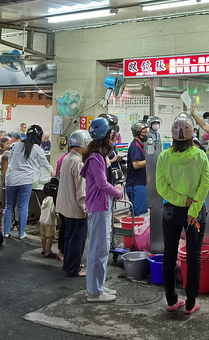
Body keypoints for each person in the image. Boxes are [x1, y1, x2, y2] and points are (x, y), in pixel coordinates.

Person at [156, 113, 209, 316]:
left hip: (171, 210)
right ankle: (190, 303)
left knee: (169, 255)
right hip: (195, 214)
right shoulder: (200, 156)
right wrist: (192, 209)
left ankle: (171, 300)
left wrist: (180, 201)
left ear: (172, 136)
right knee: (193, 257)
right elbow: (205, 185)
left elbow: (161, 187)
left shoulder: (164, 157)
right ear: (191, 135)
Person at [80, 117, 123, 302]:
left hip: (100, 206)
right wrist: (118, 192)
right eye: (111, 134)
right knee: (98, 250)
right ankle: (95, 292)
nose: (113, 138)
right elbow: (101, 183)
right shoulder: (96, 157)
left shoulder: (97, 156)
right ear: (105, 135)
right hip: (99, 207)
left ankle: (98, 287)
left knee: (101, 248)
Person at [3, 125, 54, 239]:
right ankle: (21, 233)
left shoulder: (16, 146)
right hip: (25, 181)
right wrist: (52, 171)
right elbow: (44, 164)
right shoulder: (37, 149)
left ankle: (6, 232)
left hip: (11, 179)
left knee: (9, 205)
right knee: (23, 207)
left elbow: (10, 162)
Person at [57, 129, 91, 277]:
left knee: (69, 238)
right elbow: (81, 191)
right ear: (83, 145)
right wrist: (85, 209)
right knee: (77, 240)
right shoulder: (78, 163)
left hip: (65, 207)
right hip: (75, 209)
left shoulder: (67, 158)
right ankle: (73, 269)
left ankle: (69, 265)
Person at [126, 122, 149, 216]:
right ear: (138, 133)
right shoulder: (135, 146)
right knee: (138, 213)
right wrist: (150, 161)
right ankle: (135, 230)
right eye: (145, 133)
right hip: (136, 184)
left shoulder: (140, 145)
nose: (147, 135)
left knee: (133, 211)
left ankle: (131, 228)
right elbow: (135, 164)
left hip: (139, 182)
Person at [39, 191, 58, 259]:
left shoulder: (46, 198)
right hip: (49, 221)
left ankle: (44, 249)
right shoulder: (54, 200)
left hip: (43, 220)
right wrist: (57, 216)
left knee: (44, 236)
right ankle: (48, 252)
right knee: (51, 237)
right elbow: (53, 211)